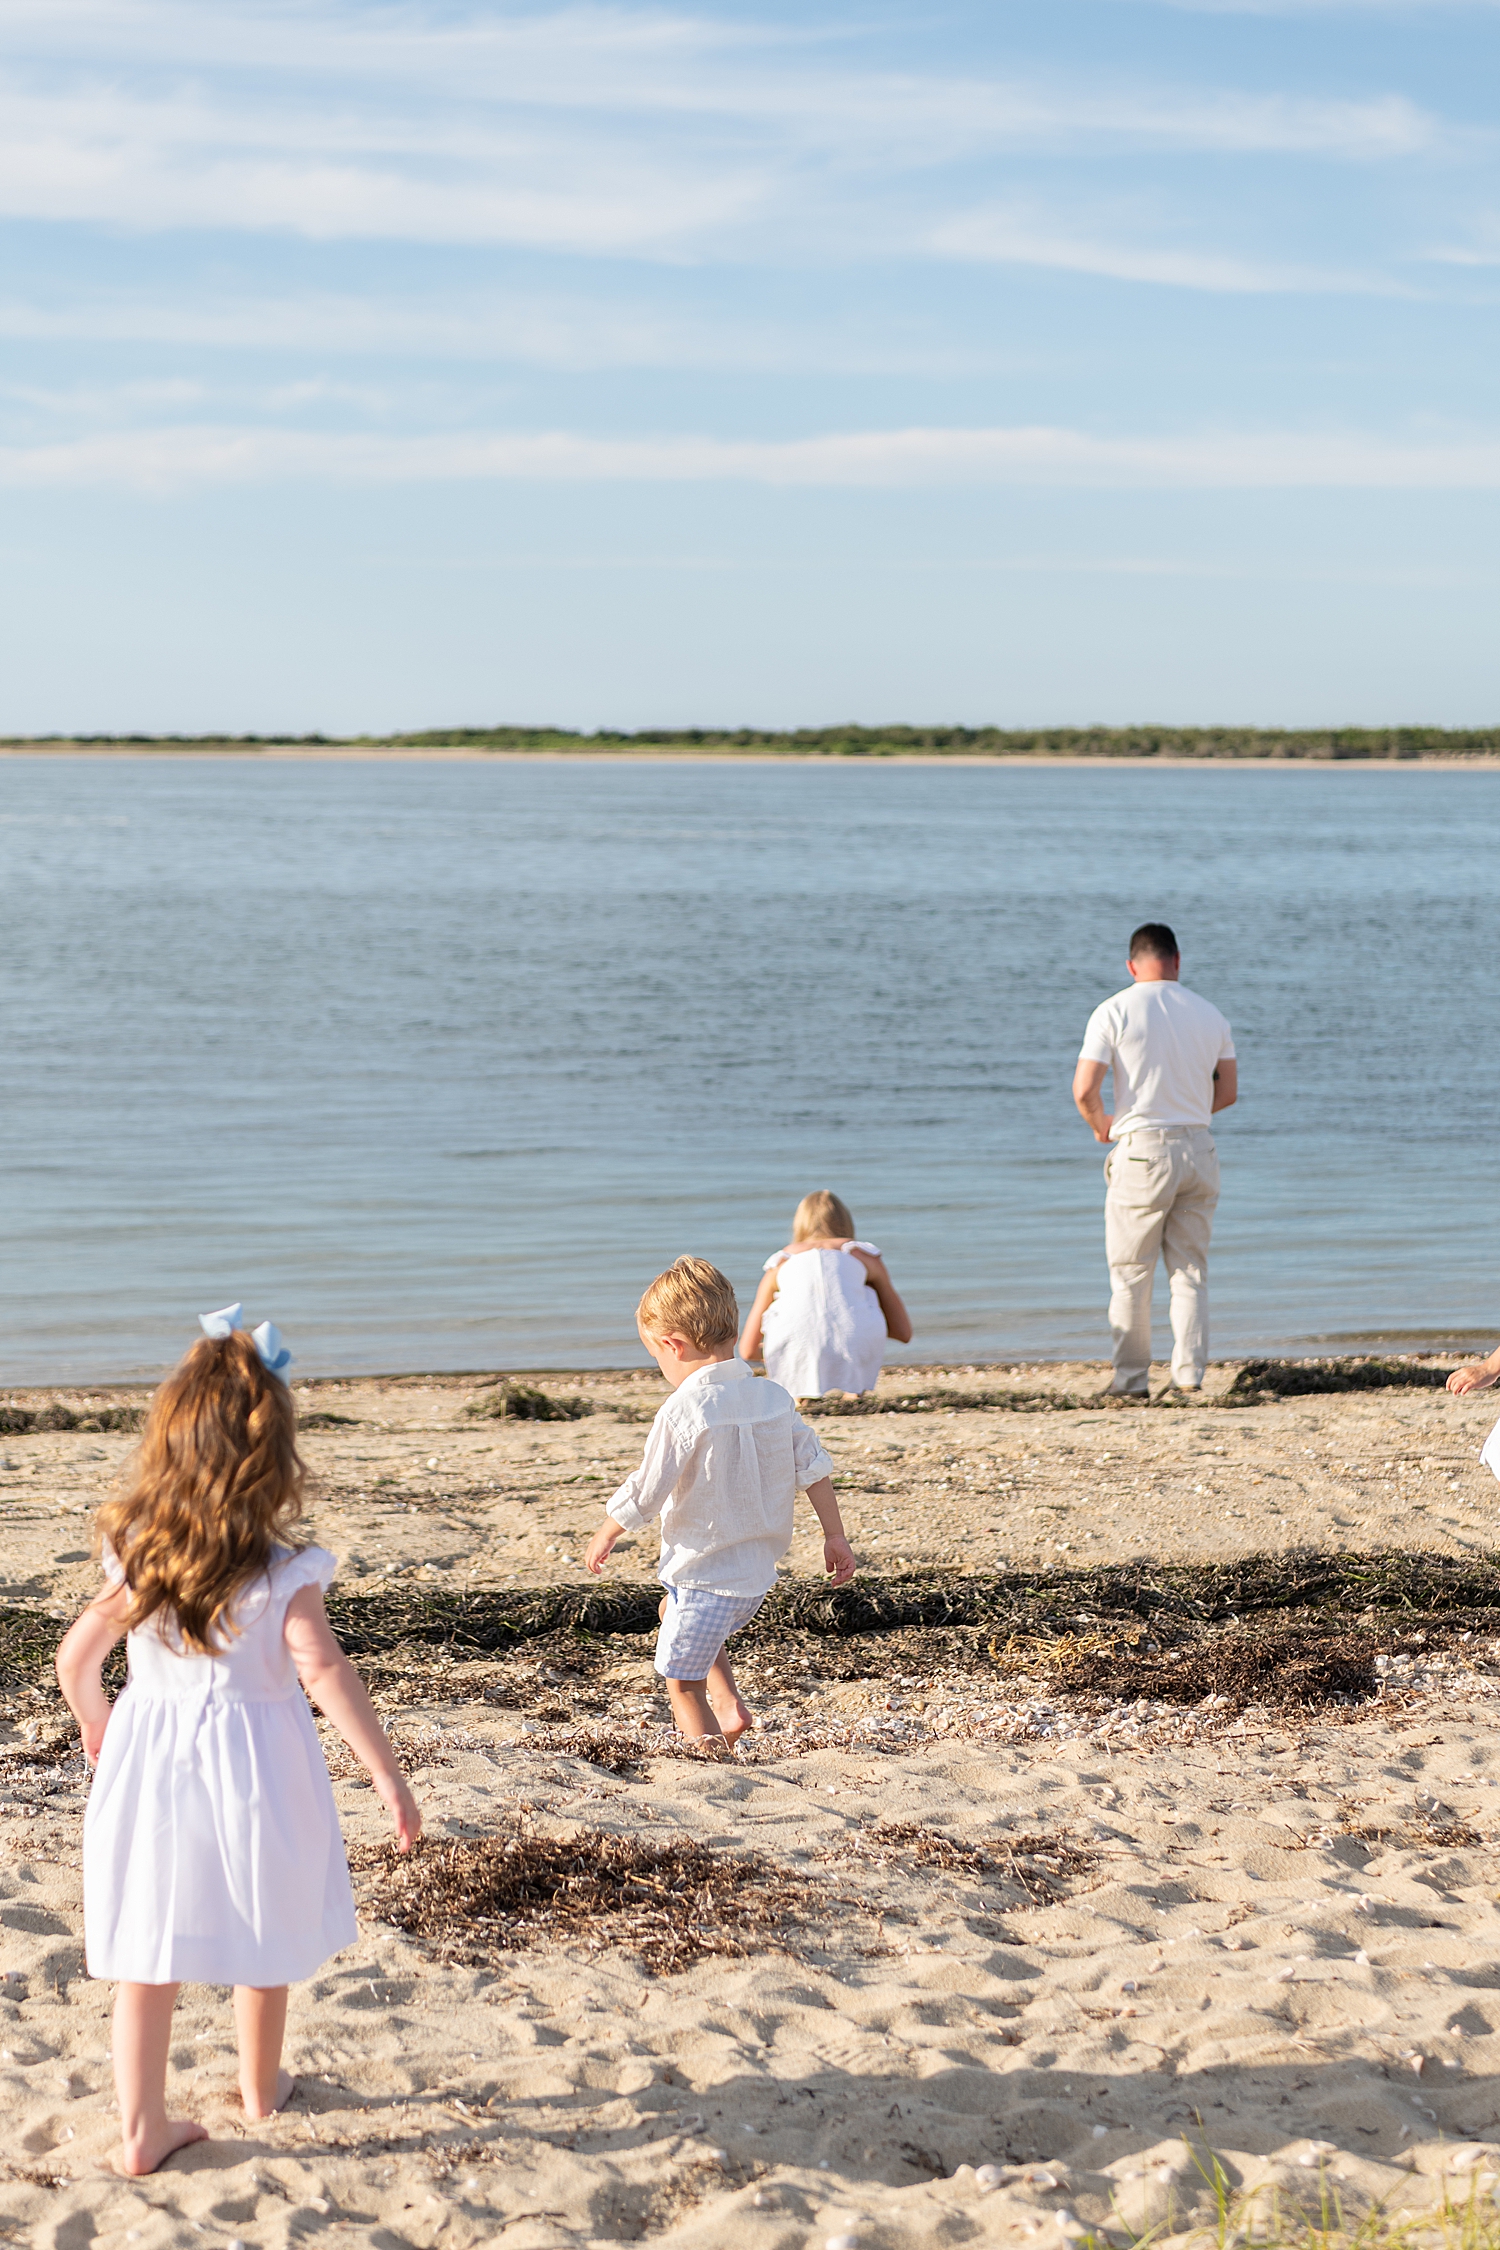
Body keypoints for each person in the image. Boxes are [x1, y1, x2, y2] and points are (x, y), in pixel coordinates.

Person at [54, 1307, 421, 2178]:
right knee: (267, 1923)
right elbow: (325, 1673)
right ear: (273, 1460)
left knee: (149, 1945)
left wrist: (98, 1723)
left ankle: (142, 2127)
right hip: (258, 1766)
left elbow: (78, 1657)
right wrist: (387, 1777)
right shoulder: (283, 1570)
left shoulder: (138, 1551)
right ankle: (260, 2090)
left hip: (151, 1759)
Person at [585, 1256, 857, 1748]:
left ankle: (711, 1763)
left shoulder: (684, 1408)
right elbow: (814, 1467)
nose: (662, 1368)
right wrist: (834, 1536)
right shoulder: (774, 1398)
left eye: (658, 1358)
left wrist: (608, 1530)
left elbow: (649, 1488)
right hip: (755, 1577)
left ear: (674, 1344)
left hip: (704, 1575)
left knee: (681, 1684)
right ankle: (729, 1707)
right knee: (673, 1613)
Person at [1072, 923, 1237, 1397]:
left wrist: (1100, 1123)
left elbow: (1085, 1089)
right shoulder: (1210, 1014)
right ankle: (1188, 1378)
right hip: (1199, 1148)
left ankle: (1130, 1380)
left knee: (1131, 1272)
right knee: (1190, 1270)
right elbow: (1227, 1091)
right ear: (1177, 961)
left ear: (1131, 965)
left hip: (1143, 1149)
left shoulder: (1114, 1010)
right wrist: (1185, 1113)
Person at [738, 1190, 912, 1400]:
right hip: (854, 1342)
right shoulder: (863, 1255)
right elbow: (903, 1332)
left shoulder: (781, 1262)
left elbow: (747, 1351)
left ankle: (800, 1384)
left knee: (794, 1311)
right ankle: (853, 1385)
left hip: (797, 1346)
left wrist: (782, 1354)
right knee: (864, 1291)